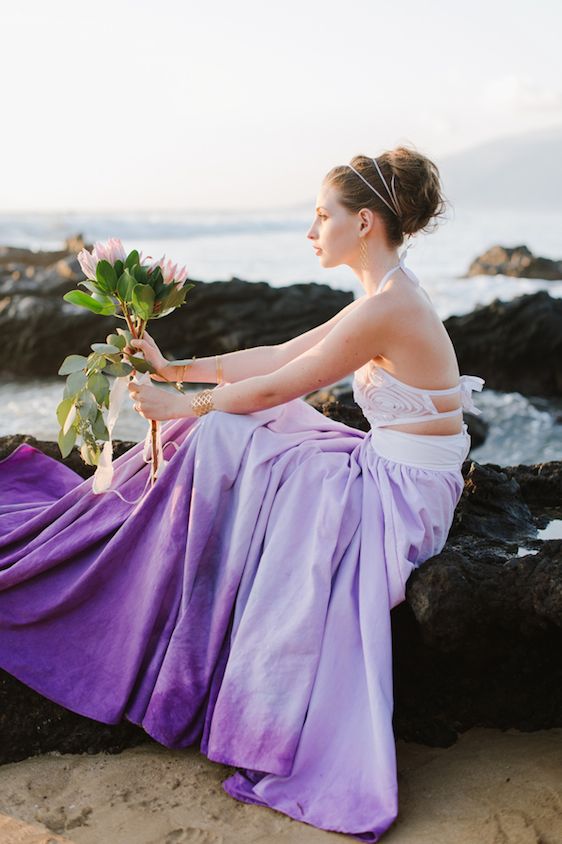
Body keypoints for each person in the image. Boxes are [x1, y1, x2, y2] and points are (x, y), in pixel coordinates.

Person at [0, 146, 484, 842]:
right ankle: (149, 556)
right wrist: (177, 368)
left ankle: (149, 571)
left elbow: (285, 386)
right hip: (389, 468)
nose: (312, 230)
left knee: (231, 426)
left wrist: (180, 407)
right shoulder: (383, 294)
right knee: (233, 427)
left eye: (323, 216)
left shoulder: (392, 305)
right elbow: (281, 355)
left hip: (400, 500)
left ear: (366, 223)